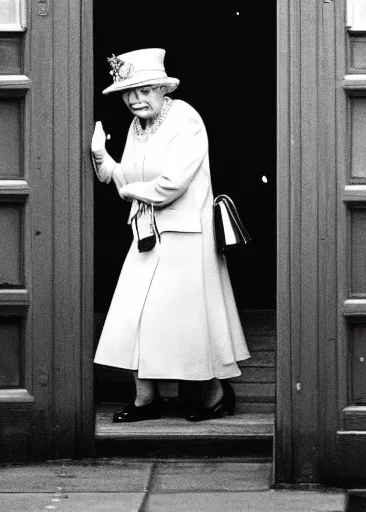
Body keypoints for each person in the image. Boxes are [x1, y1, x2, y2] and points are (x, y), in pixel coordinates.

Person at [91, 48, 250, 423]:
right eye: (128, 92)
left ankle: (213, 397)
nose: (134, 99)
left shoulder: (185, 119)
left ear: (163, 88)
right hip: (148, 233)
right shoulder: (136, 126)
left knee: (189, 324)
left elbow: (171, 184)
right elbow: (124, 178)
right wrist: (101, 156)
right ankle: (147, 399)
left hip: (186, 235)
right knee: (134, 316)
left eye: (144, 90)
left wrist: (130, 191)